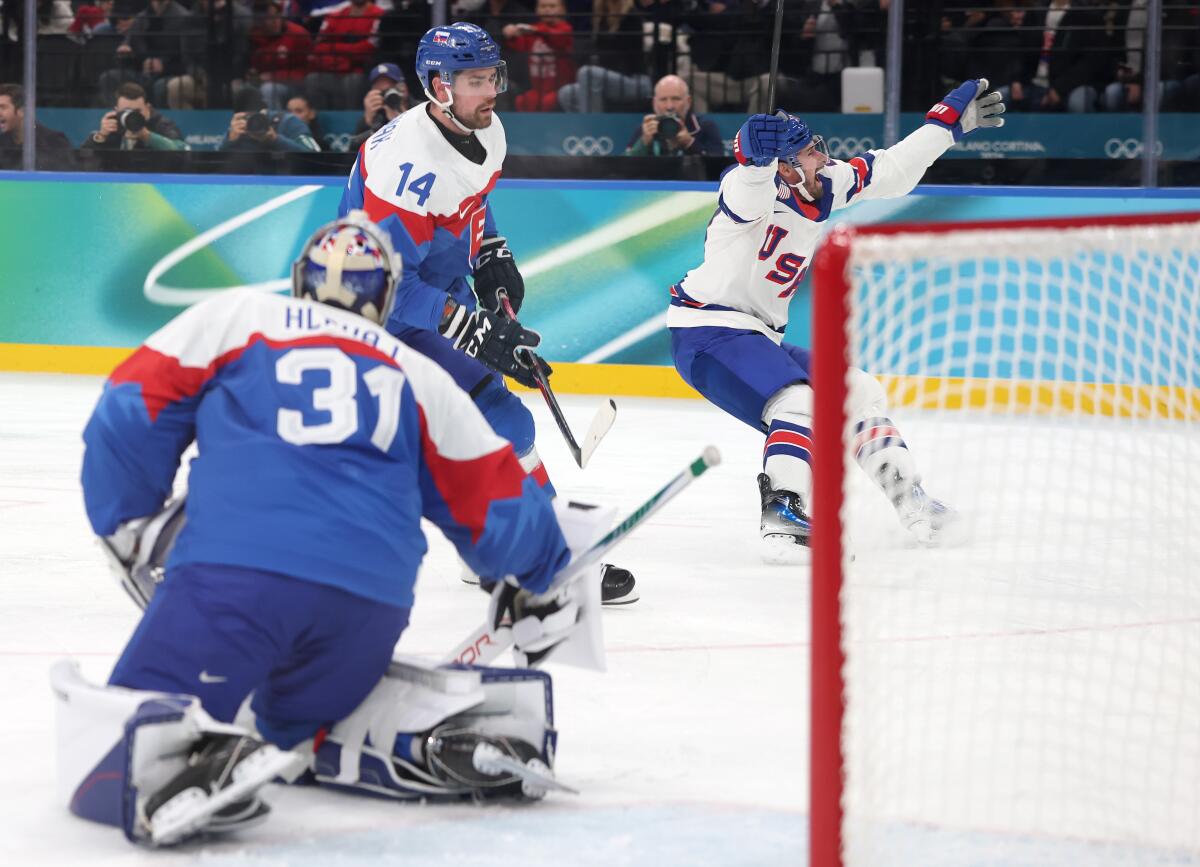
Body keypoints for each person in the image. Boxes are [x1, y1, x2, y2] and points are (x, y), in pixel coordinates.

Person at [58, 212, 602, 846]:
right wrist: (539, 574)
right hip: (366, 608)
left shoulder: (234, 320)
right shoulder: (419, 374)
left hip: (232, 581)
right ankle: (383, 732)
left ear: (300, 281)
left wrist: (126, 521)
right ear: (387, 294)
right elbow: (495, 494)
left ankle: (178, 761)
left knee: (117, 752)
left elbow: (126, 413)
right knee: (297, 716)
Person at [340, 22, 638, 604]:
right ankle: (541, 557)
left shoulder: (482, 130)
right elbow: (384, 287)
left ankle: (500, 546)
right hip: (380, 318)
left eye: (492, 76)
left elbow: (472, 205)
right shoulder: (407, 165)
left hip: (429, 293)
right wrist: (470, 327)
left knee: (487, 426)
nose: (492, 90)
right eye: (476, 80)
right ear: (438, 87)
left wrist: (491, 252)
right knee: (500, 420)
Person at [668, 80, 1006, 562]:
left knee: (858, 390)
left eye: (817, 146)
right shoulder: (752, 188)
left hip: (757, 335)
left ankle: (913, 502)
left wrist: (945, 128)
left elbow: (891, 170)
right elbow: (746, 191)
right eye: (807, 152)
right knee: (798, 401)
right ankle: (783, 516)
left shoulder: (823, 183)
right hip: (706, 330)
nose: (821, 156)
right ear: (783, 166)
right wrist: (752, 158)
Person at [556, 0, 651, 113]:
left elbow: (630, 60)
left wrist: (601, 65)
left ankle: (593, 125)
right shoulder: (601, 18)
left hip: (635, 81)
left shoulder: (631, 16)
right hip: (609, 79)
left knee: (587, 73)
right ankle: (581, 126)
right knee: (566, 93)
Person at [305, 0, 385, 109]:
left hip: (360, 70)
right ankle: (317, 121)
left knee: (353, 81)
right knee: (313, 79)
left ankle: (351, 121)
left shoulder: (379, 14)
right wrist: (347, 57)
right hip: (335, 68)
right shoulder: (336, 15)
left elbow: (369, 47)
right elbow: (320, 47)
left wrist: (335, 48)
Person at [79, 81, 187, 159]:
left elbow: (182, 151)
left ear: (147, 108)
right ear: (116, 110)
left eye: (137, 111)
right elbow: (82, 158)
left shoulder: (162, 124)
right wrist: (101, 136)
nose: (132, 116)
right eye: (127, 111)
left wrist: (147, 136)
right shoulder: (113, 126)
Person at [501, 0, 575, 112]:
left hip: (560, 88)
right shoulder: (534, 29)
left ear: (562, 9)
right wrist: (511, 35)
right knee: (521, 101)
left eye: (552, 6)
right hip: (537, 89)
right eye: (543, 6)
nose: (547, 9)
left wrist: (535, 30)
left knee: (547, 103)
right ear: (537, 10)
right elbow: (519, 46)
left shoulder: (565, 28)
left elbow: (557, 38)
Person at [624, 74, 722, 157]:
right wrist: (643, 143)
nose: (669, 106)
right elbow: (623, 170)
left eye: (676, 99)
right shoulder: (646, 130)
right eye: (663, 99)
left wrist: (689, 143)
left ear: (688, 101)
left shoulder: (705, 127)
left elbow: (717, 169)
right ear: (654, 103)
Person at [219, 87, 320, 153]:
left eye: (257, 116)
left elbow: (314, 155)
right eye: (246, 117)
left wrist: (275, 140)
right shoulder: (239, 128)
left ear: (265, 111)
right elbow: (217, 167)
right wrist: (229, 141)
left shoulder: (289, 122)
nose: (252, 122)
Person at [0, 83, 76, 171]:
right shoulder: (2, 141)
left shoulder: (54, 142)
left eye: (3, 108)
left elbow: (64, 179)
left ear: (22, 111)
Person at [347, 61, 411, 151]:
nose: (387, 95)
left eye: (390, 89)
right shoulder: (376, 115)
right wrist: (367, 121)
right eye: (381, 91)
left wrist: (405, 118)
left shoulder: (421, 109)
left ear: (403, 88)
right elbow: (354, 153)